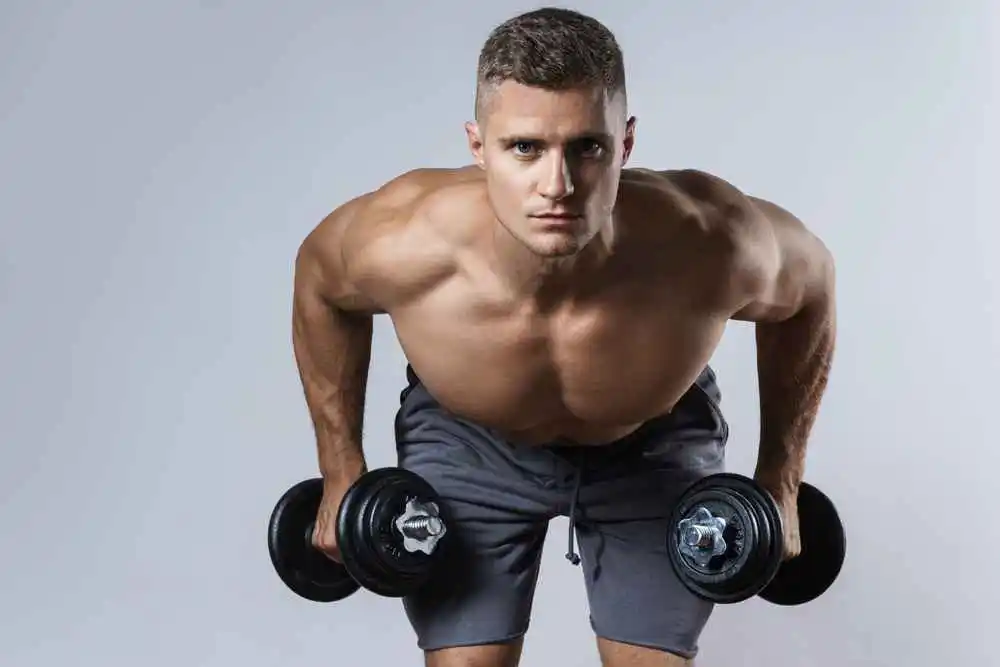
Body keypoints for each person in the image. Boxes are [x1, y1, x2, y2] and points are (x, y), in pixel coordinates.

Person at [290, 7, 836, 667]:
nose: (558, 185)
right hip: (469, 442)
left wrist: (781, 477)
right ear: (477, 146)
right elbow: (320, 284)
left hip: (651, 446)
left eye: (587, 147)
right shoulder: (405, 239)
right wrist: (340, 468)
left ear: (625, 143)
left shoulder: (709, 241)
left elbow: (810, 291)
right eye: (525, 147)